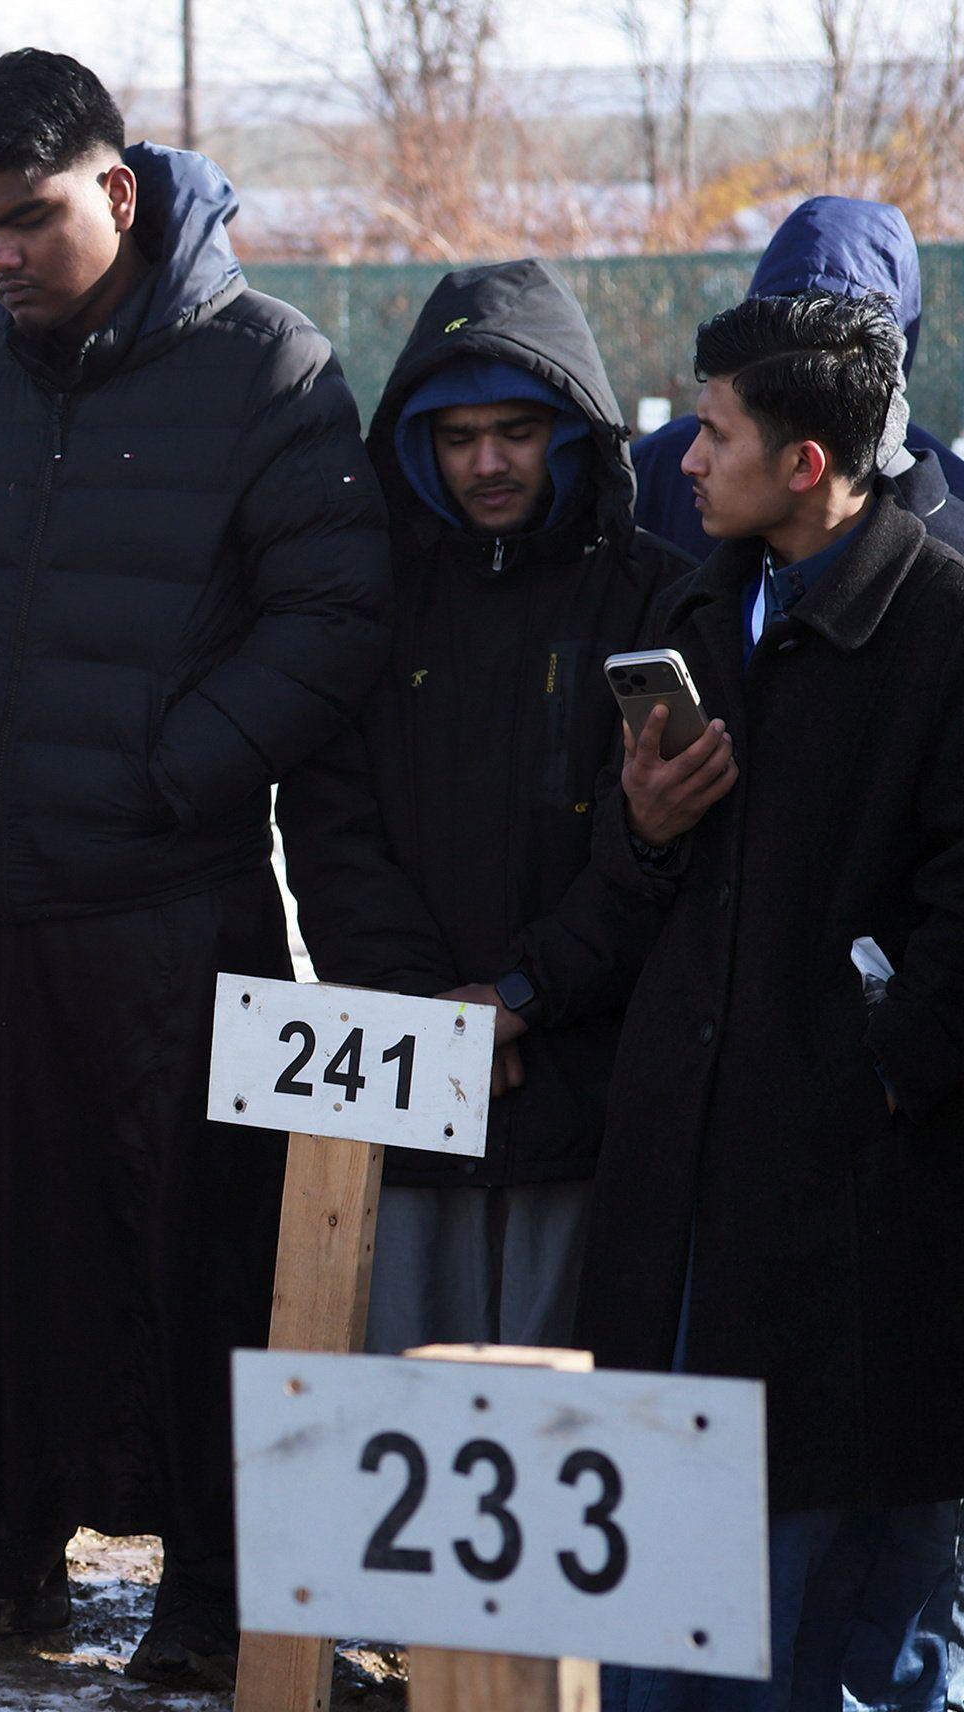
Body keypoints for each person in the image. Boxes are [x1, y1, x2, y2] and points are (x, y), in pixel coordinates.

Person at [0, 51, 388, 1676]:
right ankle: (6, 1543)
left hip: (167, 910)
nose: (1, 254)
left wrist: (170, 769)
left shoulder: (269, 371)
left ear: (121, 193)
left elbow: (336, 616)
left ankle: (214, 1589)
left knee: (194, 1252)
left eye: (29, 220)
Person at [591, 289, 964, 1712]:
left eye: (712, 430)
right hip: (707, 1107)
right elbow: (633, 871)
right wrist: (649, 823)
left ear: (804, 460)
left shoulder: (963, 633)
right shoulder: (701, 618)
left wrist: (875, 1071)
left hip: (865, 1129)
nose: (685, 455)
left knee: (848, 1443)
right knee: (690, 1422)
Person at [276, 259, 688, 1356]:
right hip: (405, 1079)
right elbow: (328, 826)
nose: (489, 463)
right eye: (458, 439)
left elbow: (657, 838)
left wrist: (520, 996)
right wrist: (430, 1015)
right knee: (400, 1403)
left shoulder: (652, 596)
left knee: (571, 1411)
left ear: (571, 429)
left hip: (586, 1082)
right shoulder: (368, 603)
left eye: (516, 429)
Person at [629, 196, 964, 572]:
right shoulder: (661, 467)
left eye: (838, 347)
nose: (692, 462)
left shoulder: (953, 522)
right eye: (787, 327)